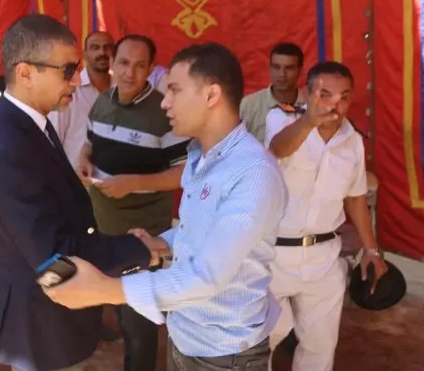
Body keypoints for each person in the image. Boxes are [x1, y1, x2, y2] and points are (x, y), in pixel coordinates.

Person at [45, 43, 288, 371]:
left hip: (224, 355)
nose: (165, 101)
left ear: (211, 95)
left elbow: (205, 277)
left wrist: (105, 290)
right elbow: (198, 231)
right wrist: (160, 243)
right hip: (186, 337)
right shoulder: (201, 156)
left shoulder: (251, 172)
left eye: (174, 89)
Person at [0, 15, 164, 371]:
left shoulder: (28, 125)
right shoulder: (9, 145)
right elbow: (53, 260)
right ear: (25, 73)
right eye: (67, 70)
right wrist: (140, 250)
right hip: (40, 325)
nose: (77, 80)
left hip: (48, 317)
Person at [76, 34, 188, 371]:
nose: (130, 72)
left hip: (144, 237)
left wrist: (134, 184)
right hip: (103, 228)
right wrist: (83, 159)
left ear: (152, 69)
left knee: (140, 326)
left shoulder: (164, 112)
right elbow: (90, 143)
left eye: (140, 66)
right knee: (119, 313)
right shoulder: (102, 103)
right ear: (112, 64)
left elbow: (185, 173)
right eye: (123, 63)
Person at [265, 61, 386, 371]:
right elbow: (278, 149)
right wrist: (309, 121)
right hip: (274, 255)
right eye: (325, 94)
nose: (335, 104)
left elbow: (355, 197)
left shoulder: (352, 140)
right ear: (306, 94)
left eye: (344, 97)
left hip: (324, 256)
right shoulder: (281, 119)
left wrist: (371, 250)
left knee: (320, 346)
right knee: (263, 338)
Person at [48, 31, 114, 165]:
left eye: (107, 47)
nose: (102, 52)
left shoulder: (122, 90)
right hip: (73, 175)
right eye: (95, 47)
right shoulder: (67, 90)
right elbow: (52, 142)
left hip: (114, 176)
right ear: (84, 54)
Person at [240, 43, 307, 143]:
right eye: (276, 67)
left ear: (300, 71)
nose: (282, 74)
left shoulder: (311, 106)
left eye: (289, 68)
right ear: (270, 68)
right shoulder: (248, 105)